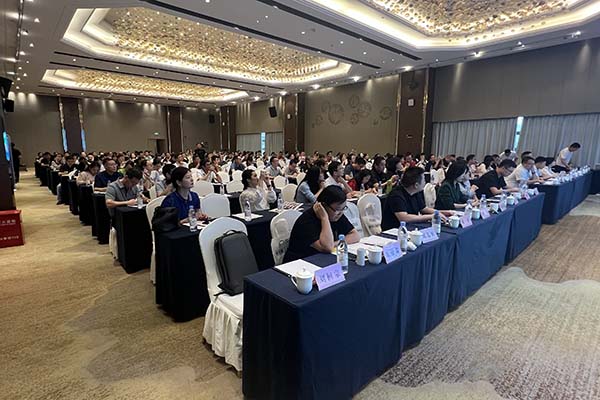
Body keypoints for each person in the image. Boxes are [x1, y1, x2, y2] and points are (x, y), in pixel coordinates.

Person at [284, 186, 360, 263]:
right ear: (323, 206)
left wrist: (335, 244)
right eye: (337, 209)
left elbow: (355, 236)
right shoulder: (306, 221)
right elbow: (327, 247)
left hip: (319, 259)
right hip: (298, 263)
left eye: (343, 208)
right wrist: (324, 218)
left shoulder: (336, 214)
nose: (340, 213)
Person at [382, 167, 452, 230]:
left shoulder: (416, 192)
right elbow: (404, 218)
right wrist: (431, 216)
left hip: (410, 227)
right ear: (416, 185)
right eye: (424, 180)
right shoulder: (396, 195)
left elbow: (424, 209)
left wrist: (444, 212)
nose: (425, 182)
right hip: (395, 230)